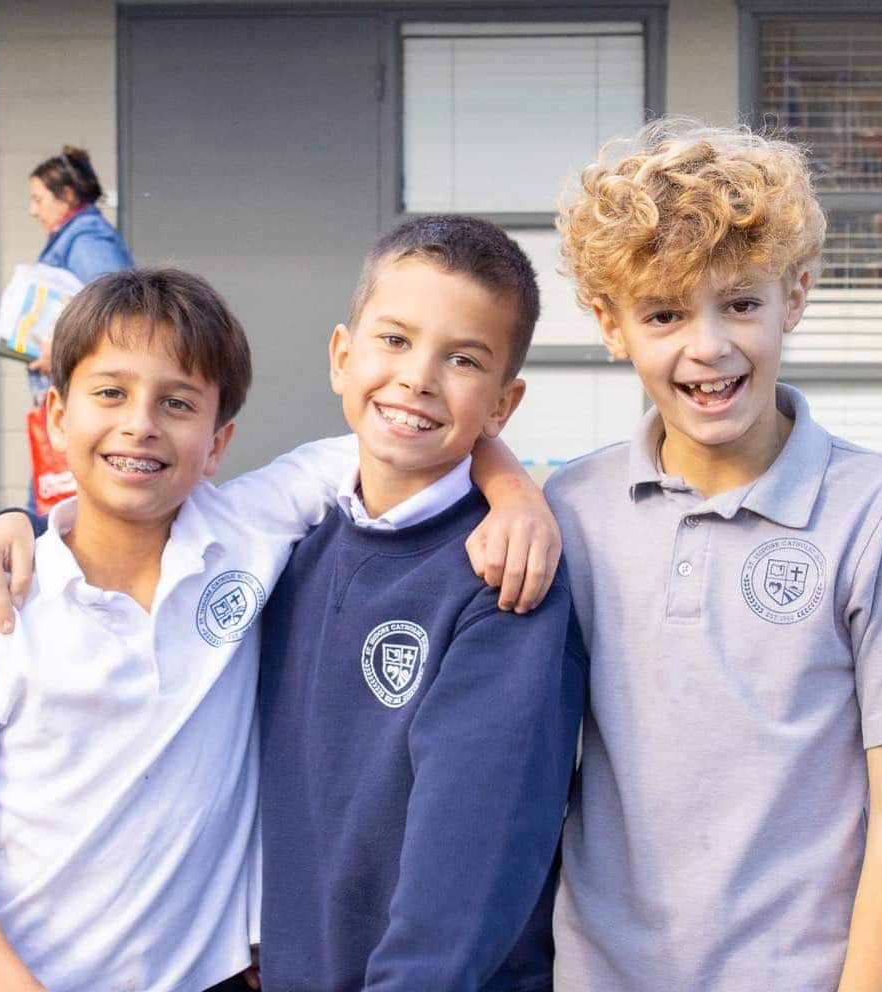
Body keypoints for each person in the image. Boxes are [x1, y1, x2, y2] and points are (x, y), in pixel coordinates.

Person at [0, 268, 561, 992]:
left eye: (177, 403)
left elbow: (407, 435)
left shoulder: (248, 527)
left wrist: (515, 494)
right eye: (110, 393)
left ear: (218, 442)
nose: (140, 423)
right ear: (57, 416)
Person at [546, 117, 882, 991]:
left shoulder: (878, 512)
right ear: (610, 324)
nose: (707, 346)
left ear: (795, 296)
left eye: (739, 303)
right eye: (664, 313)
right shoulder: (570, 511)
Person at [256, 216, 586, 991]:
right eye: (395, 340)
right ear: (342, 356)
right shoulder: (287, 550)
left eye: (462, 358)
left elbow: (473, 856)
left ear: (502, 405)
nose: (417, 378)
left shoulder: (505, 578)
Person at [27, 145, 134, 378]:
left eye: (38, 199)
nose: (32, 211)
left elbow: (115, 307)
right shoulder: (75, 238)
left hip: (82, 378)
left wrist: (62, 351)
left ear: (67, 195)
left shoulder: (88, 241)